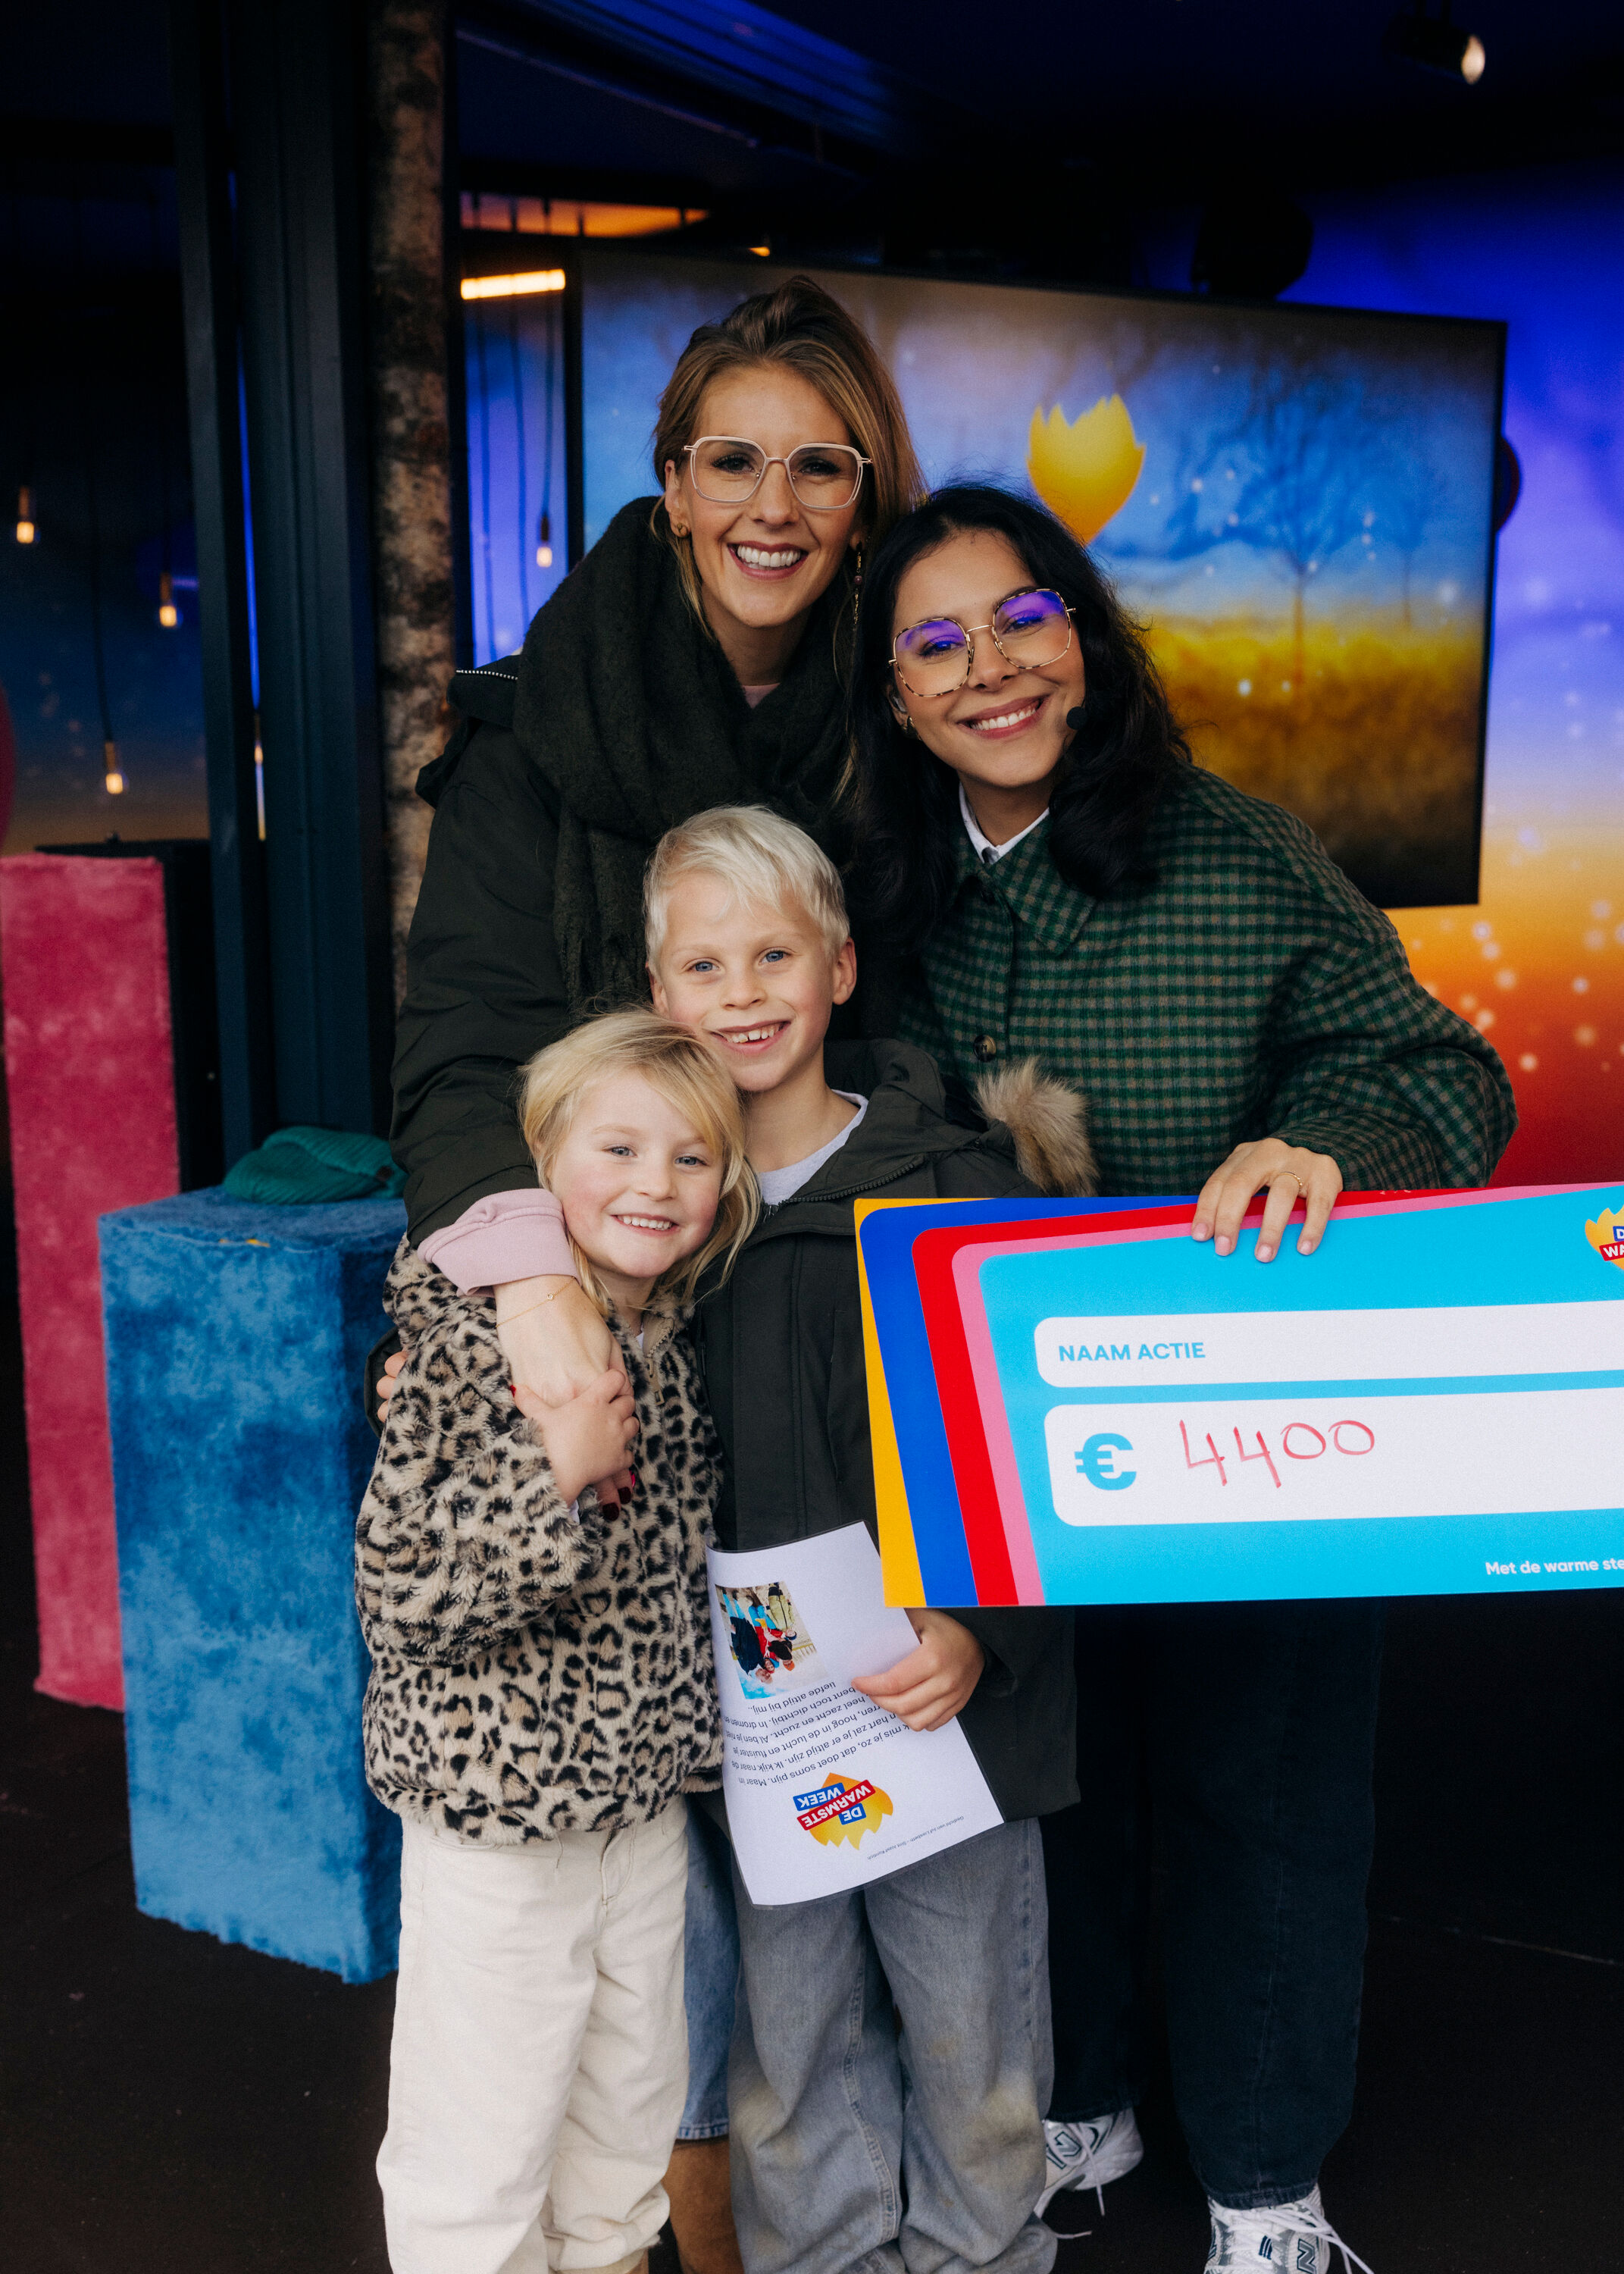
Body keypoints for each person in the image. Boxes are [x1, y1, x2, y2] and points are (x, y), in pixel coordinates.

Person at [842, 485, 1517, 2274]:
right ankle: (1082, 2101)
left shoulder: (1236, 854)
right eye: (935, 642)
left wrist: (1326, 1139)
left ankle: (1266, 2185)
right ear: (892, 693)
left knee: (1260, 1791)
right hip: (1007, 1439)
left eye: (1022, 618)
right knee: (1046, 1784)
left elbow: (1442, 1076)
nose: (989, 669)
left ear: (1084, 633)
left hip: (1247, 1428)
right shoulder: (878, 893)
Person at [390, 276, 925, 2269]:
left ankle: (764, 2194)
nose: (773, 504)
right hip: (602, 1315)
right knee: (577, 1901)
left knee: (815, 1779)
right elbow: (459, 1054)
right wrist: (538, 1300)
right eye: (733, 460)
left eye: (819, 464)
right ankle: (663, 2201)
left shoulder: (888, 732)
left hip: (811, 1311)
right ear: (672, 484)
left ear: (863, 497)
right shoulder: (536, 734)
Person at [644, 804, 1089, 2274]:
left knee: (975, 2044)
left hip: (948, 1709)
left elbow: (1043, 1454)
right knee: (789, 2053)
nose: (743, 992)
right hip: (764, 1732)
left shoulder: (958, 1188)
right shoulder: (654, 1215)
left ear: (839, 969)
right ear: (659, 993)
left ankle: (982, 2258)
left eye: (775, 955)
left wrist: (980, 1631)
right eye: (704, 965)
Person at [358, 1009, 756, 2274]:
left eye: (691, 1157)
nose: (656, 1183)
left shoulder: (672, 1342)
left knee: (626, 2116)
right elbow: (401, 1594)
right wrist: (561, 1483)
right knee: (479, 2138)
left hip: (637, 1813)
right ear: (542, 1161)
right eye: (619, 1149)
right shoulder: (479, 1348)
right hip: (502, 1818)